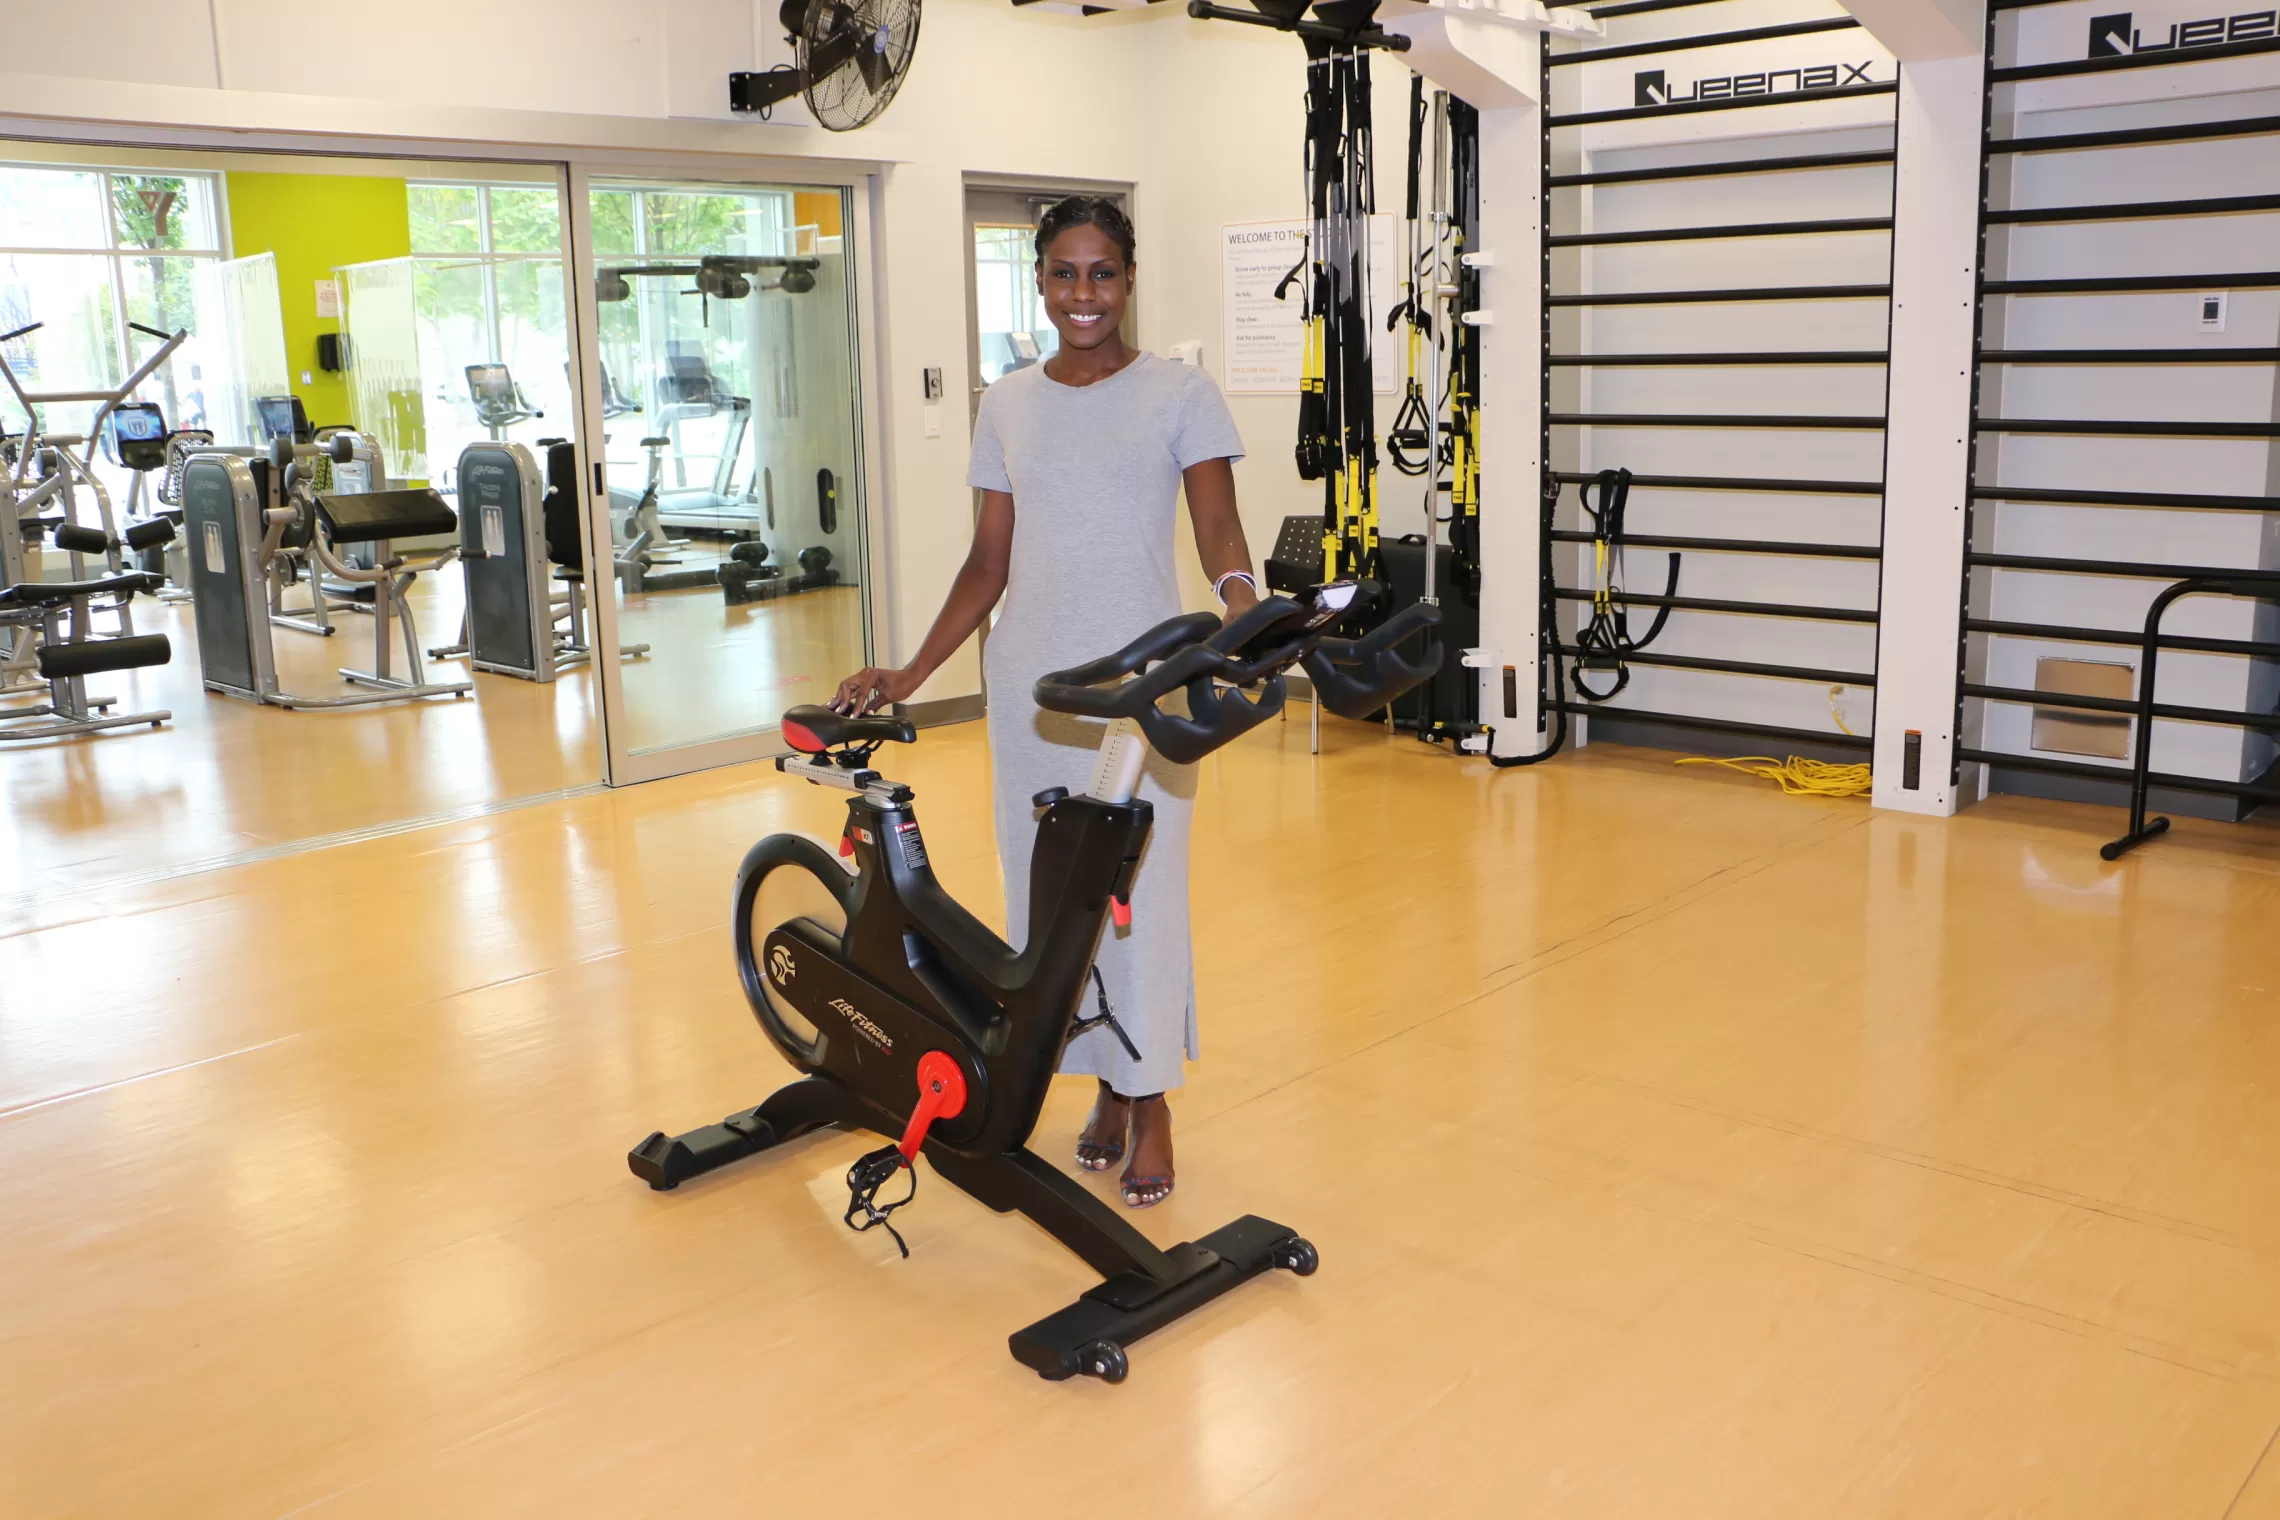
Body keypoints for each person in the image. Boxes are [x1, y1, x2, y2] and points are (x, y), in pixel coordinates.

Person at [832, 196, 1259, 1209]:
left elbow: (1220, 530)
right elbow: (989, 562)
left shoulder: (1180, 394)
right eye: (1065, 274)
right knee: (1048, 908)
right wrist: (912, 670)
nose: (1084, 294)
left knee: (1140, 898)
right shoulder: (1009, 403)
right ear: (1039, 280)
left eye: (1102, 273)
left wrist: (1244, 610)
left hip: (1143, 692)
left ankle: (1149, 1092)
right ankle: (1096, 1085)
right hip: (1032, 694)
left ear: (1129, 279)